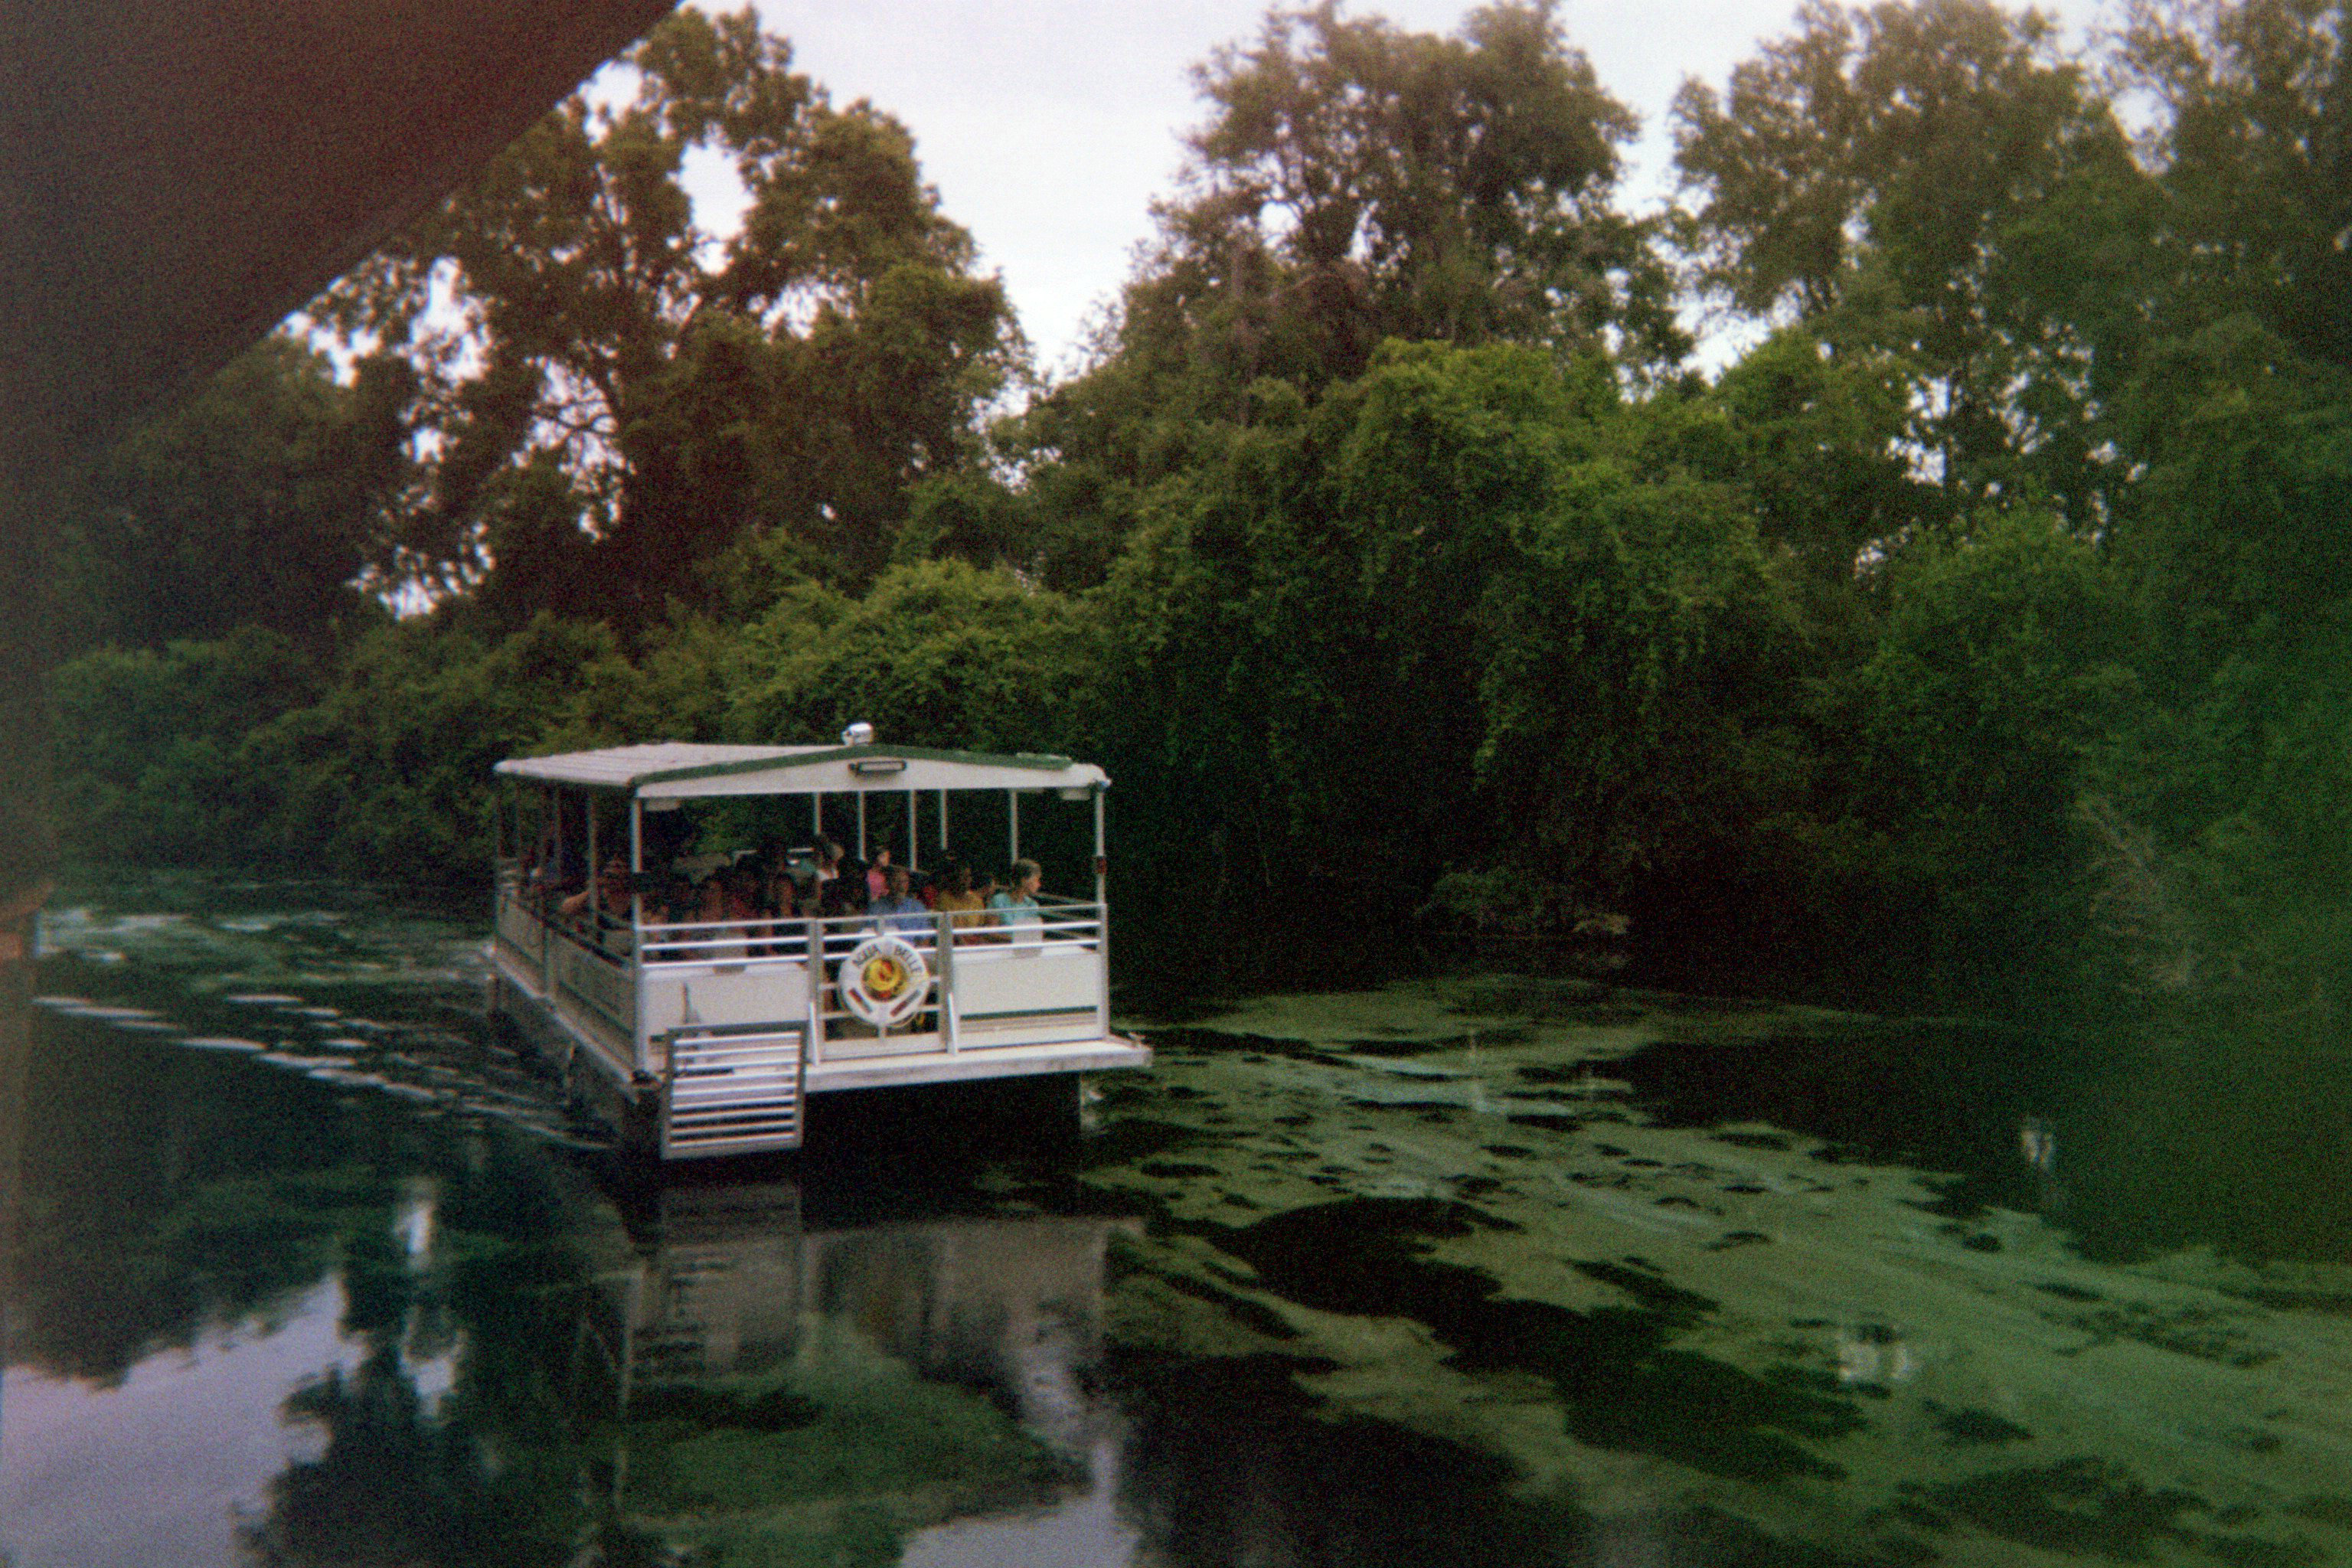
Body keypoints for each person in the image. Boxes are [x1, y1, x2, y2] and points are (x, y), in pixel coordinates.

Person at [988, 858, 1044, 939]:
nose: (1039, 884)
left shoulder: (1032, 904)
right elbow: (991, 933)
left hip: (1025, 950)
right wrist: (1017, 941)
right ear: (1024, 880)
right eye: (1036, 880)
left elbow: (1035, 934)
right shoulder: (998, 900)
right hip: (1002, 949)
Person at [870, 864, 930, 939]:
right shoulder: (876, 909)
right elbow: (868, 938)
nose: (901, 886)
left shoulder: (917, 908)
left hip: (910, 949)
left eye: (904, 881)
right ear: (888, 883)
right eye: (896, 881)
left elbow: (925, 939)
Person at [935, 863, 987, 936]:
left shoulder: (977, 900)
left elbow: (981, 928)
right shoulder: (944, 898)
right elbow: (947, 926)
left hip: (974, 941)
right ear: (954, 879)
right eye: (963, 876)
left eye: (968, 876)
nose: (966, 879)